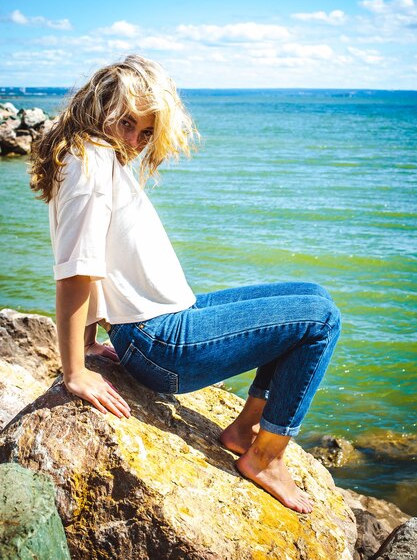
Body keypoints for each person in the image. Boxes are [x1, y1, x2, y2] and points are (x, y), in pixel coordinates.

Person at [30, 54, 341, 515]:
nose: (135, 140)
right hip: (163, 343)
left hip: (171, 320)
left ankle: (243, 433)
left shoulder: (91, 156)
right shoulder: (91, 169)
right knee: (321, 320)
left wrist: (95, 339)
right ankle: (266, 457)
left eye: (146, 131)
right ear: (99, 108)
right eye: (127, 124)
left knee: (311, 297)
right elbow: (76, 270)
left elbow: (97, 258)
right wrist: (76, 372)